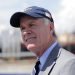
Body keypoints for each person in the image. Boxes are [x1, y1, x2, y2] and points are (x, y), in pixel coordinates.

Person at [10, 6, 75, 75]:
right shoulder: (39, 65)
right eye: (22, 28)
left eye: (31, 25)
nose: (26, 32)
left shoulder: (69, 64)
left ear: (50, 27)